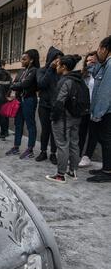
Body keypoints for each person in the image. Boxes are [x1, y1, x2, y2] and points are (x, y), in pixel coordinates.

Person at [46, 55, 87, 183]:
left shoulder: (65, 81)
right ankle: (72, 171)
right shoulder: (79, 80)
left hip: (63, 118)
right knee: (74, 143)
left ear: (63, 67)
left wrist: (53, 117)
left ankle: (60, 175)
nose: (56, 67)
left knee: (62, 145)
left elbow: (59, 102)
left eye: (58, 65)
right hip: (77, 117)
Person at [7, 49, 40, 159]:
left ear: (31, 60)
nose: (21, 61)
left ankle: (30, 149)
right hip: (19, 101)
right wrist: (17, 85)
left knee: (30, 125)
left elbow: (25, 84)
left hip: (29, 100)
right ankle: (16, 147)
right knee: (18, 124)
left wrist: (17, 85)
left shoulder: (34, 70)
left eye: (24, 59)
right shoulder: (22, 71)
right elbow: (15, 83)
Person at [87, 35, 111, 183]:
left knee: (107, 140)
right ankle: (106, 168)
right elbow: (95, 75)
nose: (97, 52)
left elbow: (106, 91)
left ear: (105, 49)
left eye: (99, 49)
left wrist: (98, 113)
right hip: (105, 110)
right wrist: (96, 63)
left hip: (107, 111)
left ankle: (108, 172)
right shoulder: (104, 64)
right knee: (104, 139)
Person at [36, 46, 64, 164]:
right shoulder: (42, 70)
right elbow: (41, 84)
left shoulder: (61, 72)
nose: (57, 61)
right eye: (55, 58)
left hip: (56, 106)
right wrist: (50, 69)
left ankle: (53, 153)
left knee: (54, 131)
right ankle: (43, 151)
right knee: (45, 129)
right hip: (44, 105)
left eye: (60, 59)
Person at [78, 51, 99, 168]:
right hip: (84, 108)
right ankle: (78, 154)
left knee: (93, 133)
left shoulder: (100, 74)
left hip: (95, 108)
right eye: (87, 60)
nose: (89, 62)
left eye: (92, 60)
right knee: (81, 132)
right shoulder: (83, 74)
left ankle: (87, 156)